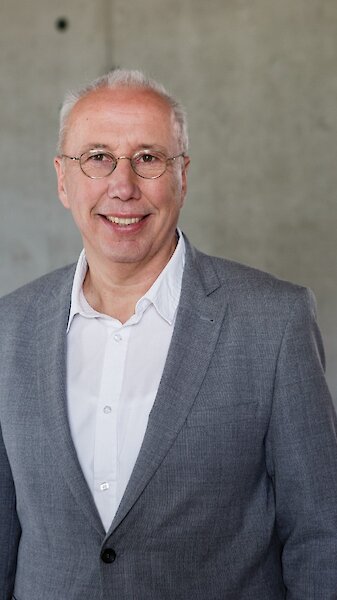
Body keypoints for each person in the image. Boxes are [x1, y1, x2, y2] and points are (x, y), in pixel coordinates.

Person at [1, 69, 337, 600]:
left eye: (149, 158)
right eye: (97, 157)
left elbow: (323, 535)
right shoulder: (8, 328)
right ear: (63, 181)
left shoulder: (273, 322)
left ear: (184, 176)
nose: (123, 185)